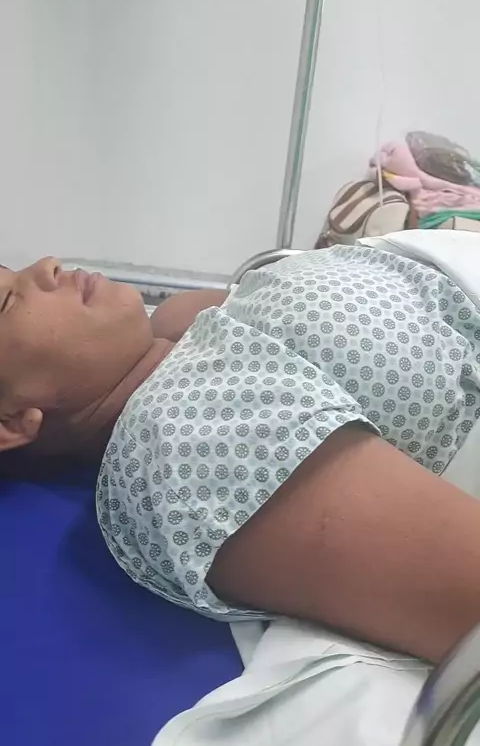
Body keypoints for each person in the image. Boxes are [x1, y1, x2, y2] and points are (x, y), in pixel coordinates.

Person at [1, 238, 480, 665]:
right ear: (8, 422)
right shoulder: (190, 450)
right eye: (6, 301)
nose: (46, 264)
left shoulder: (179, 325)